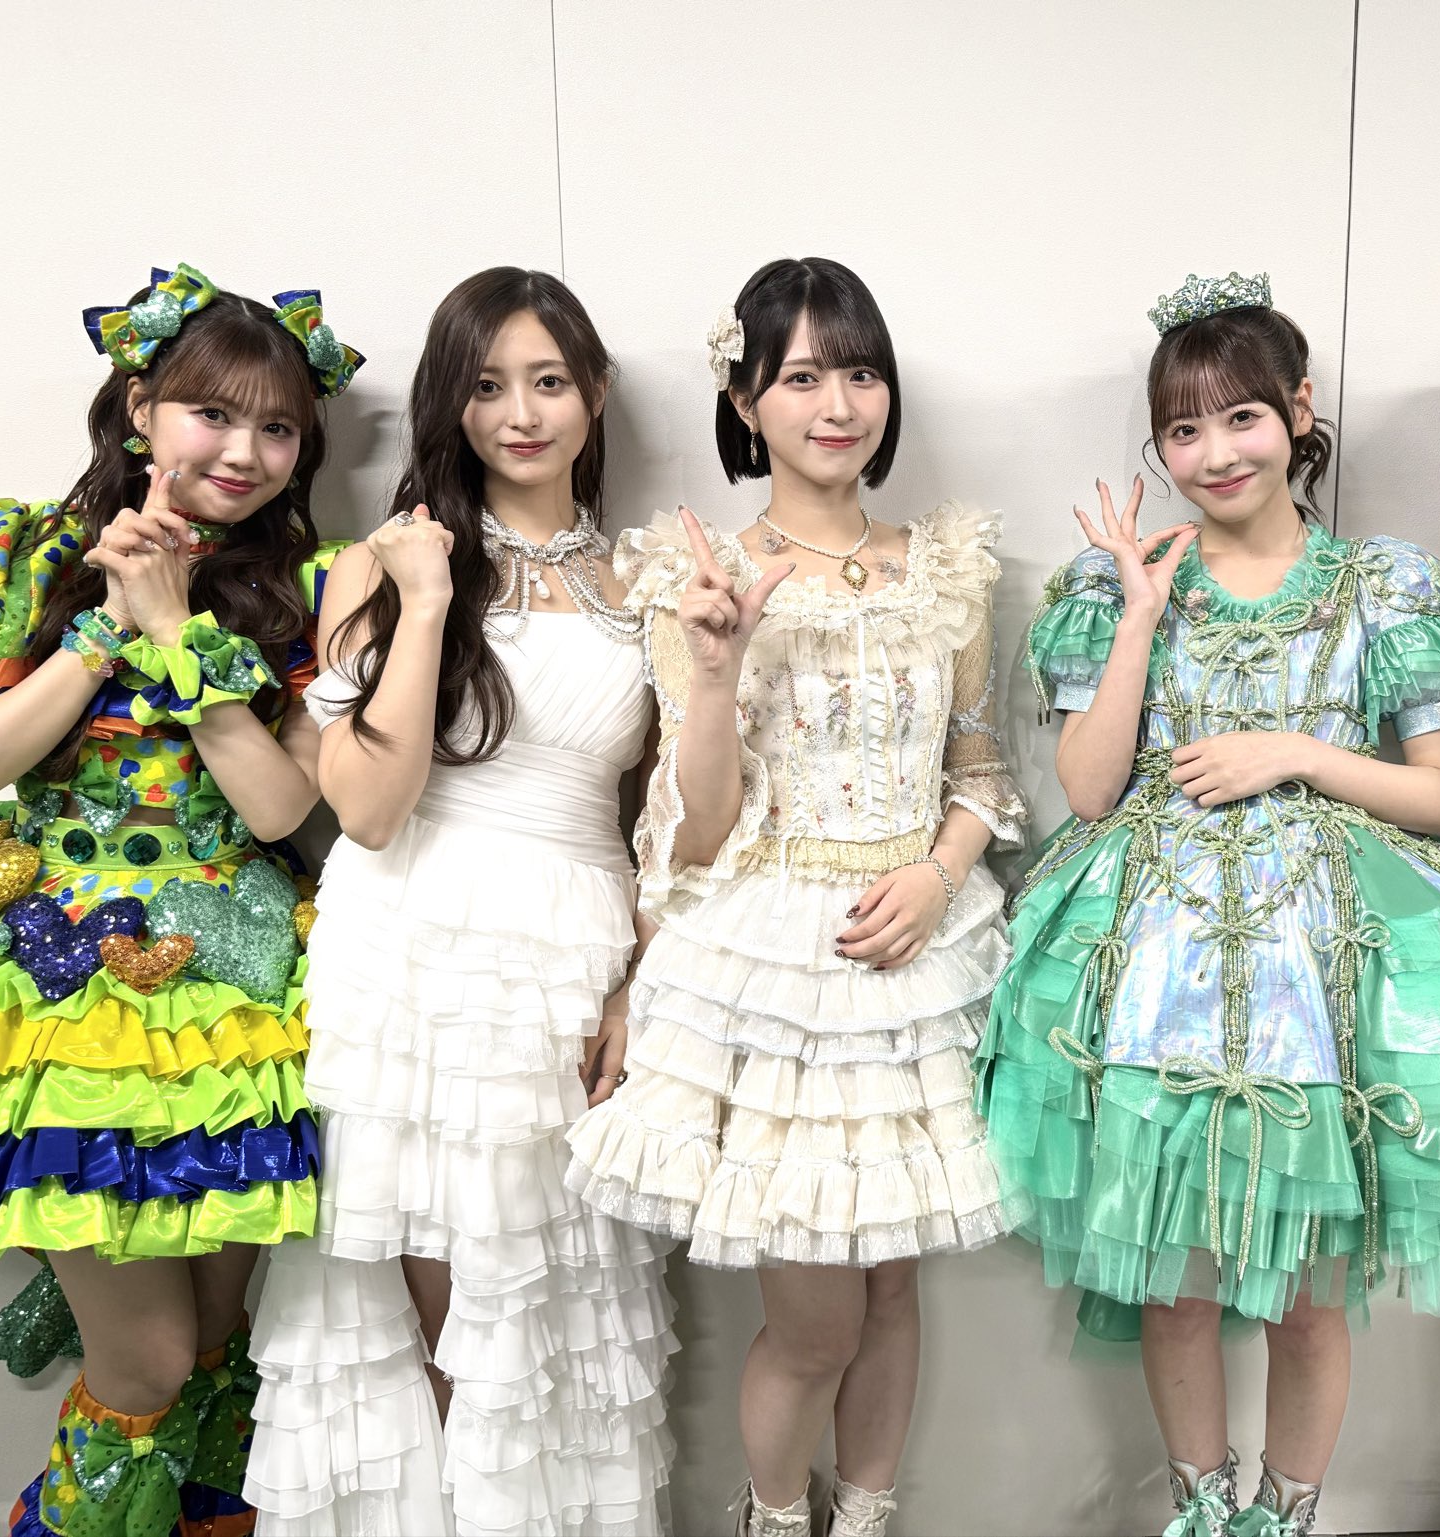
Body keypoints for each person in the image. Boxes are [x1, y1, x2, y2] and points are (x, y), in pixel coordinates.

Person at [976, 272, 1440, 1536]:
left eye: (1239, 417)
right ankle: (1197, 1512)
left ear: (1297, 410)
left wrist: (1291, 751)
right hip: (1149, 962)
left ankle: (1283, 1518)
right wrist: (1140, 617)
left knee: (1307, 1290)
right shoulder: (1116, 583)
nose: (1213, 453)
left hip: (1328, 969)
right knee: (1169, 1274)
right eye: (1181, 430)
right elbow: (1090, 789)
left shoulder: (1378, 584)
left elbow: (1438, 799)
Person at [0, 262, 361, 1537]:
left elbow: (282, 812)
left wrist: (179, 630)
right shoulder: (19, 553)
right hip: (58, 981)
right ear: (139, 409)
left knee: (223, 1347)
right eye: (211, 414)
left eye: (277, 427)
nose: (243, 451)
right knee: (151, 1362)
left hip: (233, 989)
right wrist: (99, 630)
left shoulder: (307, 586)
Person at [564, 256, 1026, 1537]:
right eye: (803, 376)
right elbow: (697, 827)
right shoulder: (695, 573)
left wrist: (937, 874)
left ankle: (864, 1518)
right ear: (745, 399)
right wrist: (715, 669)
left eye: (859, 373)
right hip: (773, 963)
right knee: (815, 1317)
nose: (838, 404)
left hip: (918, 958)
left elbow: (980, 768)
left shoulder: (946, 567)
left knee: (892, 1291)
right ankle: (771, 1521)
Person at [244, 267, 677, 1537]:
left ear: (595, 392)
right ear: (450, 402)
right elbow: (369, 810)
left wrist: (638, 980)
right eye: (487, 386)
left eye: (548, 382)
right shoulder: (374, 570)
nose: (520, 414)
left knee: (552, 1307)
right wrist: (428, 599)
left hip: (576, 946)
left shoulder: (646, 580)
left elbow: (665, 823)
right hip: (414, 944)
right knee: (431, 1309)